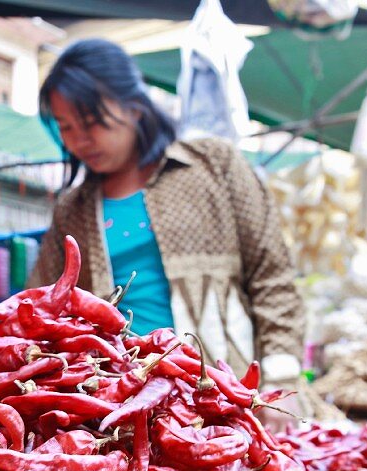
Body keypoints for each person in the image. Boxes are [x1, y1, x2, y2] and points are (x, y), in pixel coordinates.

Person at [29, 39, 304, 417]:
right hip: (119, 406)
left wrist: (280, 377)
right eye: (66, 127)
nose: (79, 140)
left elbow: (272, 278)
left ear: (135, 105)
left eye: (92, 122)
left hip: (225, 395)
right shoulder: (72, 210)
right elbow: (40, 307)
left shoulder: (213, 166)